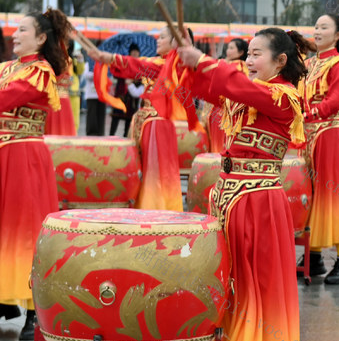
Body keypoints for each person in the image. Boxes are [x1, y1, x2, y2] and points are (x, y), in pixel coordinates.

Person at [174, 27, 305, 341]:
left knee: (265, 290)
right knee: (230, 285)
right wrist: (189, 63)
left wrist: (204, 60)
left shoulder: (283, 96)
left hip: (260, 201)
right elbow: (204, 90)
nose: (249, 60)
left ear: (281, 61)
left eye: (257, 54)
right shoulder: (247, 87)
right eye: (247, 53)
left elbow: (236, 87)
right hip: (229, 197)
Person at [0, 9, 68, 340]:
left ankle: (34, 310)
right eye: (15, 30)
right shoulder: (7, 68)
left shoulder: (41, 72)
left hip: (23, 156)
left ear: (41, 38)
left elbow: (8, 99)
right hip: (4, 154)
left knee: (25, 231)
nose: (15, 35)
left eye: (22, 30)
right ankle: (6, 300)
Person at [85, 29, 185, 211]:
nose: (158, 40)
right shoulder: (156, 62)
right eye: (158, 36)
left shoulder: (173, 66)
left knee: (155, 170)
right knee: (143, 166)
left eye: (162, 37)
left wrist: (108, 57)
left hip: (157, 123)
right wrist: (106, 59)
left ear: (175, 43)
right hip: (144, 121)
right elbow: (134, 66)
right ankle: (142, 204)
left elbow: (135, 64)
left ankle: (155, 207)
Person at [301, 14, 339, 285]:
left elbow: (335, 100)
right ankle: (313, 256)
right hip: (310, 135)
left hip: (330, 134)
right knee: (312, 194)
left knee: (334, 194)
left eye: (324, 27)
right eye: (315, 26)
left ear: (338, 35)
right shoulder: (309, 62)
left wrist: (309, 113)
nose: (317, 30)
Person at [207, 38, 249, 153]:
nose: (228, 51)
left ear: (241, 52)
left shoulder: (240, 67)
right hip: (219, 110)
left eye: (231, 48)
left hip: (228, 111)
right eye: (228, 48)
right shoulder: (224, 64)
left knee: (223, 142)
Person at [109, 44, 143, 137]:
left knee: (129, 118)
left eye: (136, 52)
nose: (135, 54)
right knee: (116, 116)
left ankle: (126, 136)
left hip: (132, 98)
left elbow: (142, 80)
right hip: (121, 95)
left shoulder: (140, 65)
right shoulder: (123, 62)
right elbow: (115, 74)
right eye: (133, 52)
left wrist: (133, 80)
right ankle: (111, 135)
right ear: (130, 53)